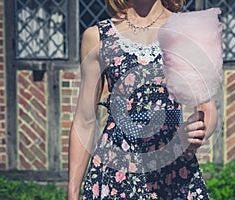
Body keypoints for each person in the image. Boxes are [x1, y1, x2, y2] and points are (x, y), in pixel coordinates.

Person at [68, 0, 220, 199]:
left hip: (172, 166)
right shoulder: (97, 36)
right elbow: (84, 120)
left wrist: (197, 133)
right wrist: (72, 192)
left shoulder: (184, 30)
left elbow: (207, 108)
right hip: (117, 167)